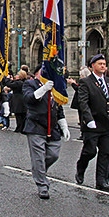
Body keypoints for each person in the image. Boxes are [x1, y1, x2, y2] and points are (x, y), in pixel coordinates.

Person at [75, 53, 109, 192]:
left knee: (106, 153)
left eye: (104, 64)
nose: (103, 66)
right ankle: (81, 167)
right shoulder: (85, 82)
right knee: (90, 151)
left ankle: (102, 181)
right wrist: (88, 120)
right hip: (92, 125)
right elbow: (83, 103)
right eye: (100, 64)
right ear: (92, 66)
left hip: (107, 125)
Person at [22, 68, 71, 199]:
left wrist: (64, 125)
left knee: (53, 154)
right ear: (38, 74)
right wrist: (44, 89)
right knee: (38, 157)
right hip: (36, 126)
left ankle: (39, 171)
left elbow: (58, 107)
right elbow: (29, 99)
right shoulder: (30, 84)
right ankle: (42, 185)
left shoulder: (55, 87)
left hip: (52, 127)